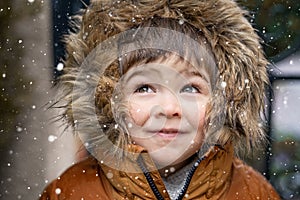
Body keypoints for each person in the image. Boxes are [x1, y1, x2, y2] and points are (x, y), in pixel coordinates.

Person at [40, 0, 280, 199]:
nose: (169, 108)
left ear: (224, 101)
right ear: (109, 101)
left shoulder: (253, 192)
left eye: (190, 88)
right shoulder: (71, 192)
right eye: (145, 88)